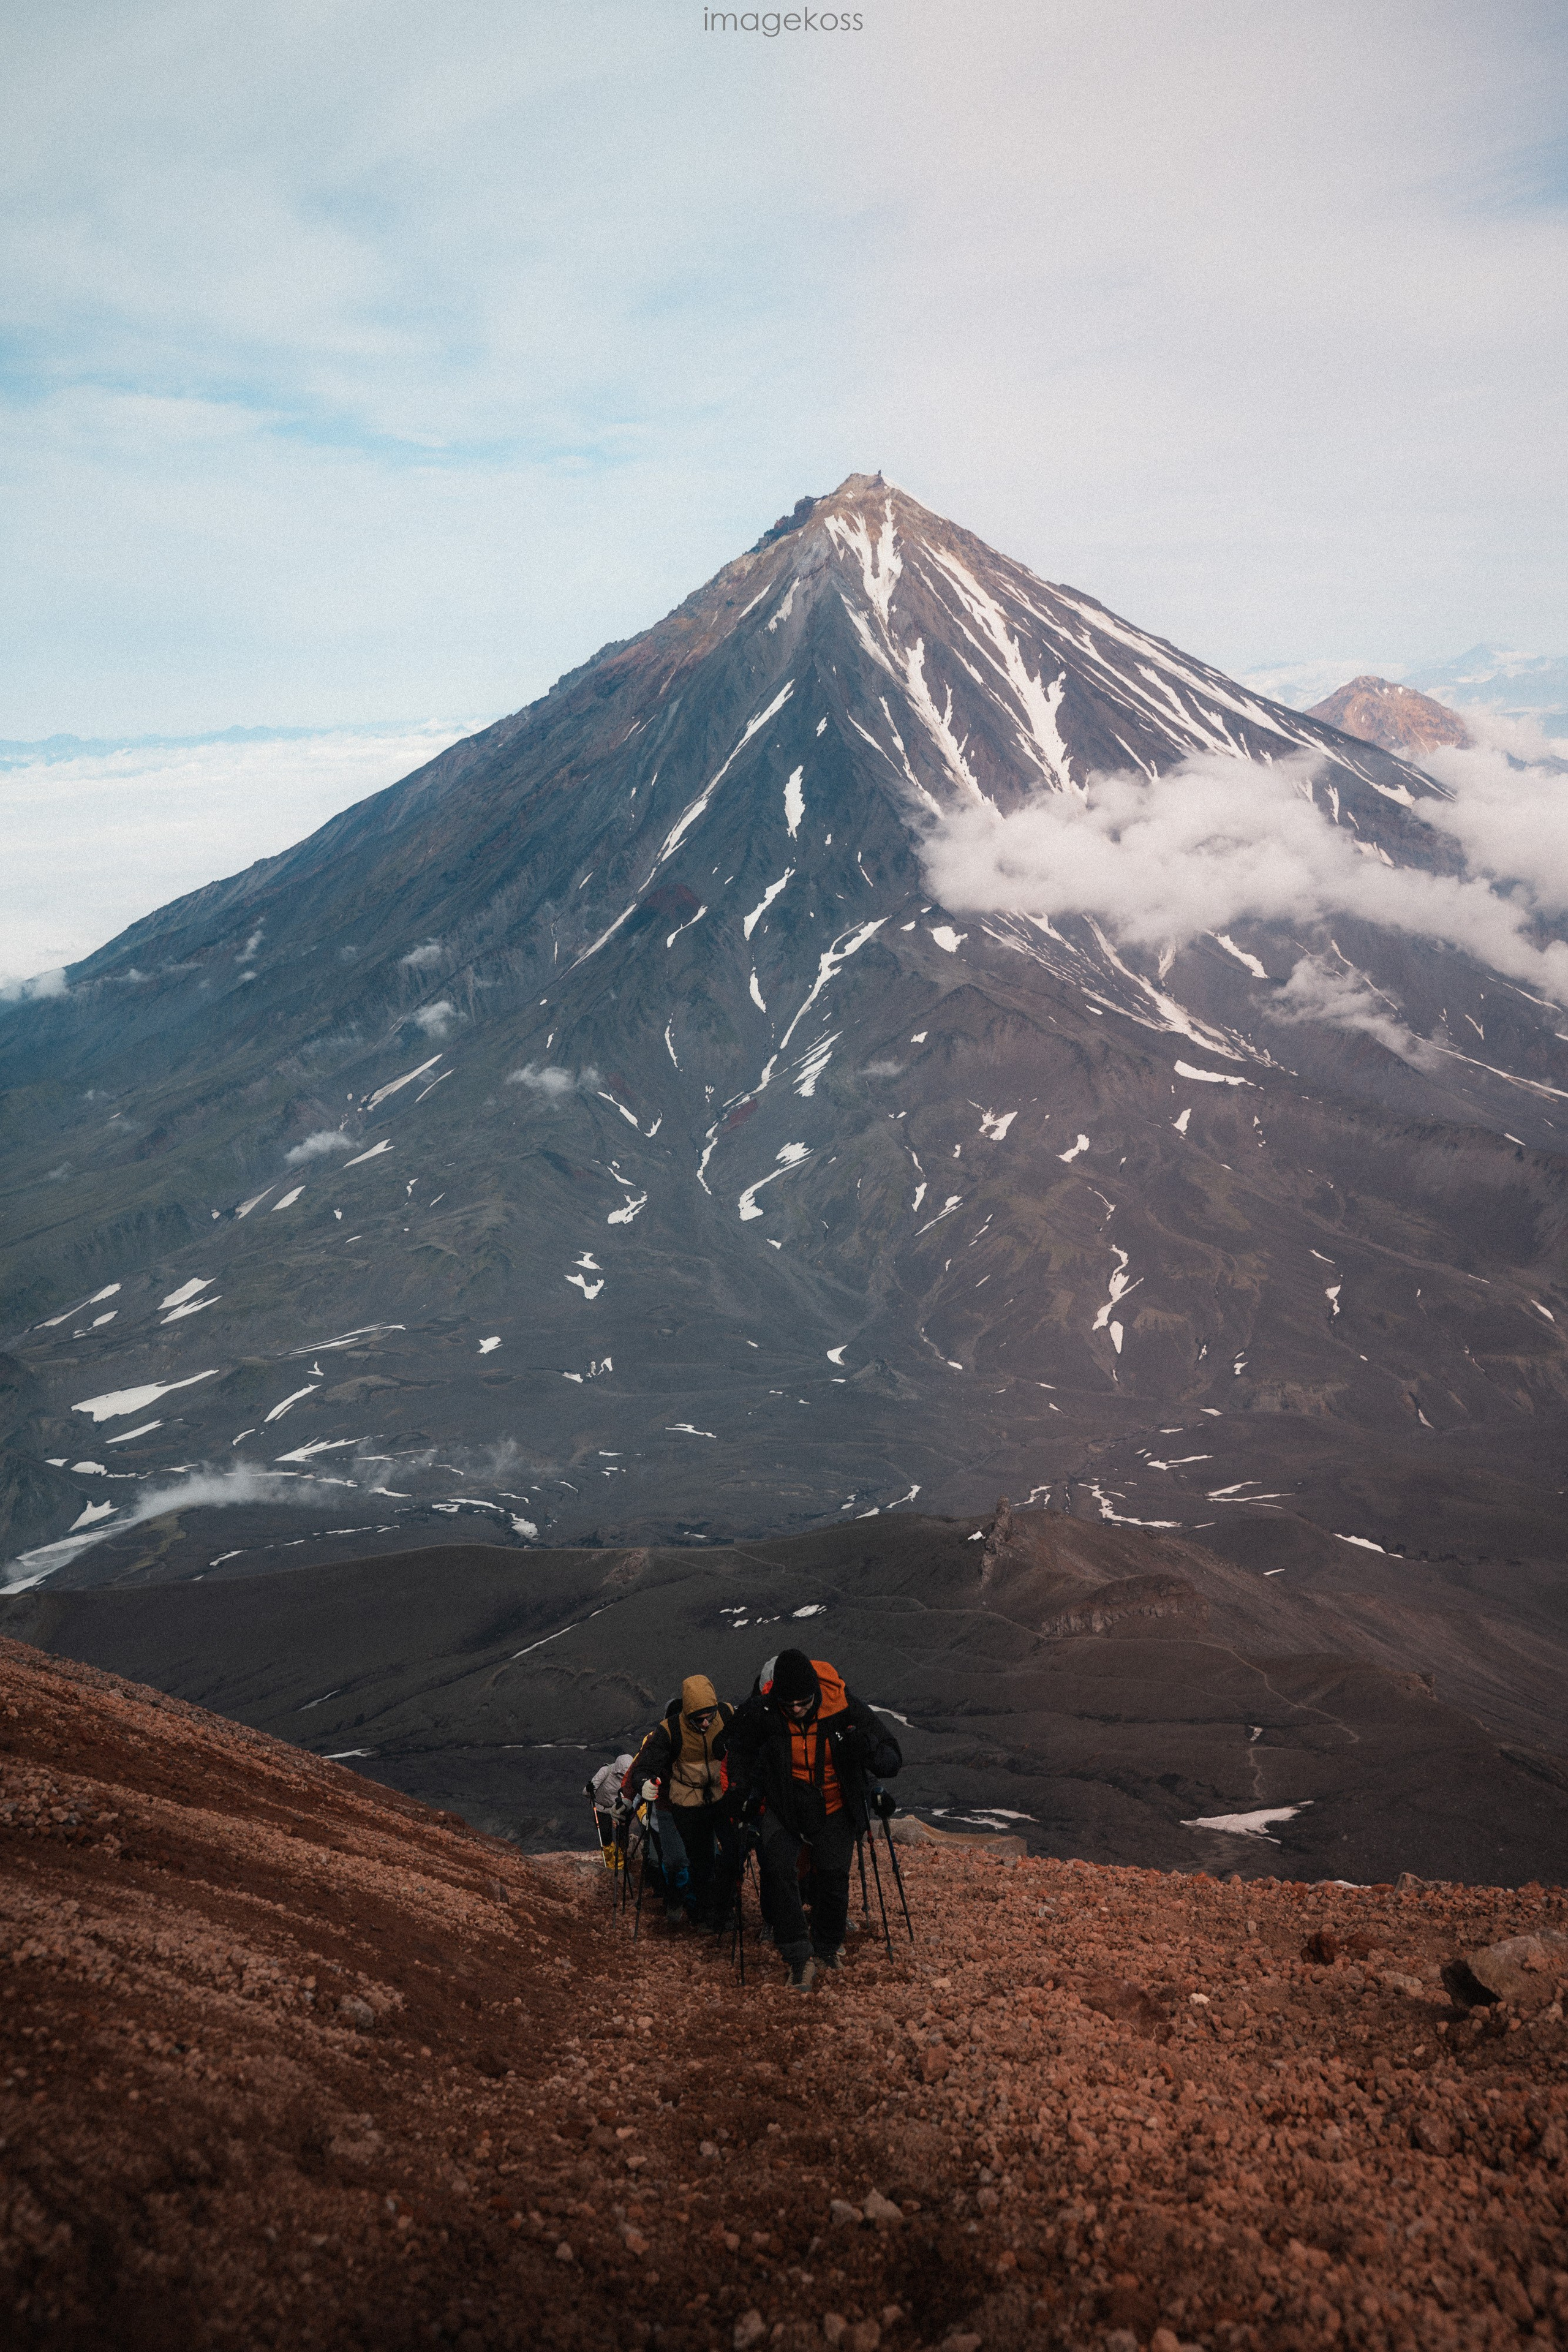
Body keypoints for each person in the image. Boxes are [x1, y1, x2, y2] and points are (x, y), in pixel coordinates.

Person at [715, 1649, 900, 1991]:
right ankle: (798, 1957)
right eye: (790, 1705)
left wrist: (866, 1748)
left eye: (803, 1703)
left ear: (815, 1692)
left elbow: (891, 1757)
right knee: (778, 1871)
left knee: (833, 1876)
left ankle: (827, 1948)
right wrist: (740, 1791)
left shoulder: (842, 1704)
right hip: (783, 1807)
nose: (797, 1710)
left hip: (835, 1805)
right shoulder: (766, 1708)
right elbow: (732, 1745)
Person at [624, 1675, 737, 1928]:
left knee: (732, 1854)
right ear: (687, 1715)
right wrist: (644, 1783)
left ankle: (724, 1908)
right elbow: (645, 1764)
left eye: (710, 1716)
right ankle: (705, 1913)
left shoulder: (728, 1716)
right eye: (699, 1720)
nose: (706, 1723)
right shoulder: (670, 1730)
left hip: (722, 1795)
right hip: (687, 1802)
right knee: (700, 1860)